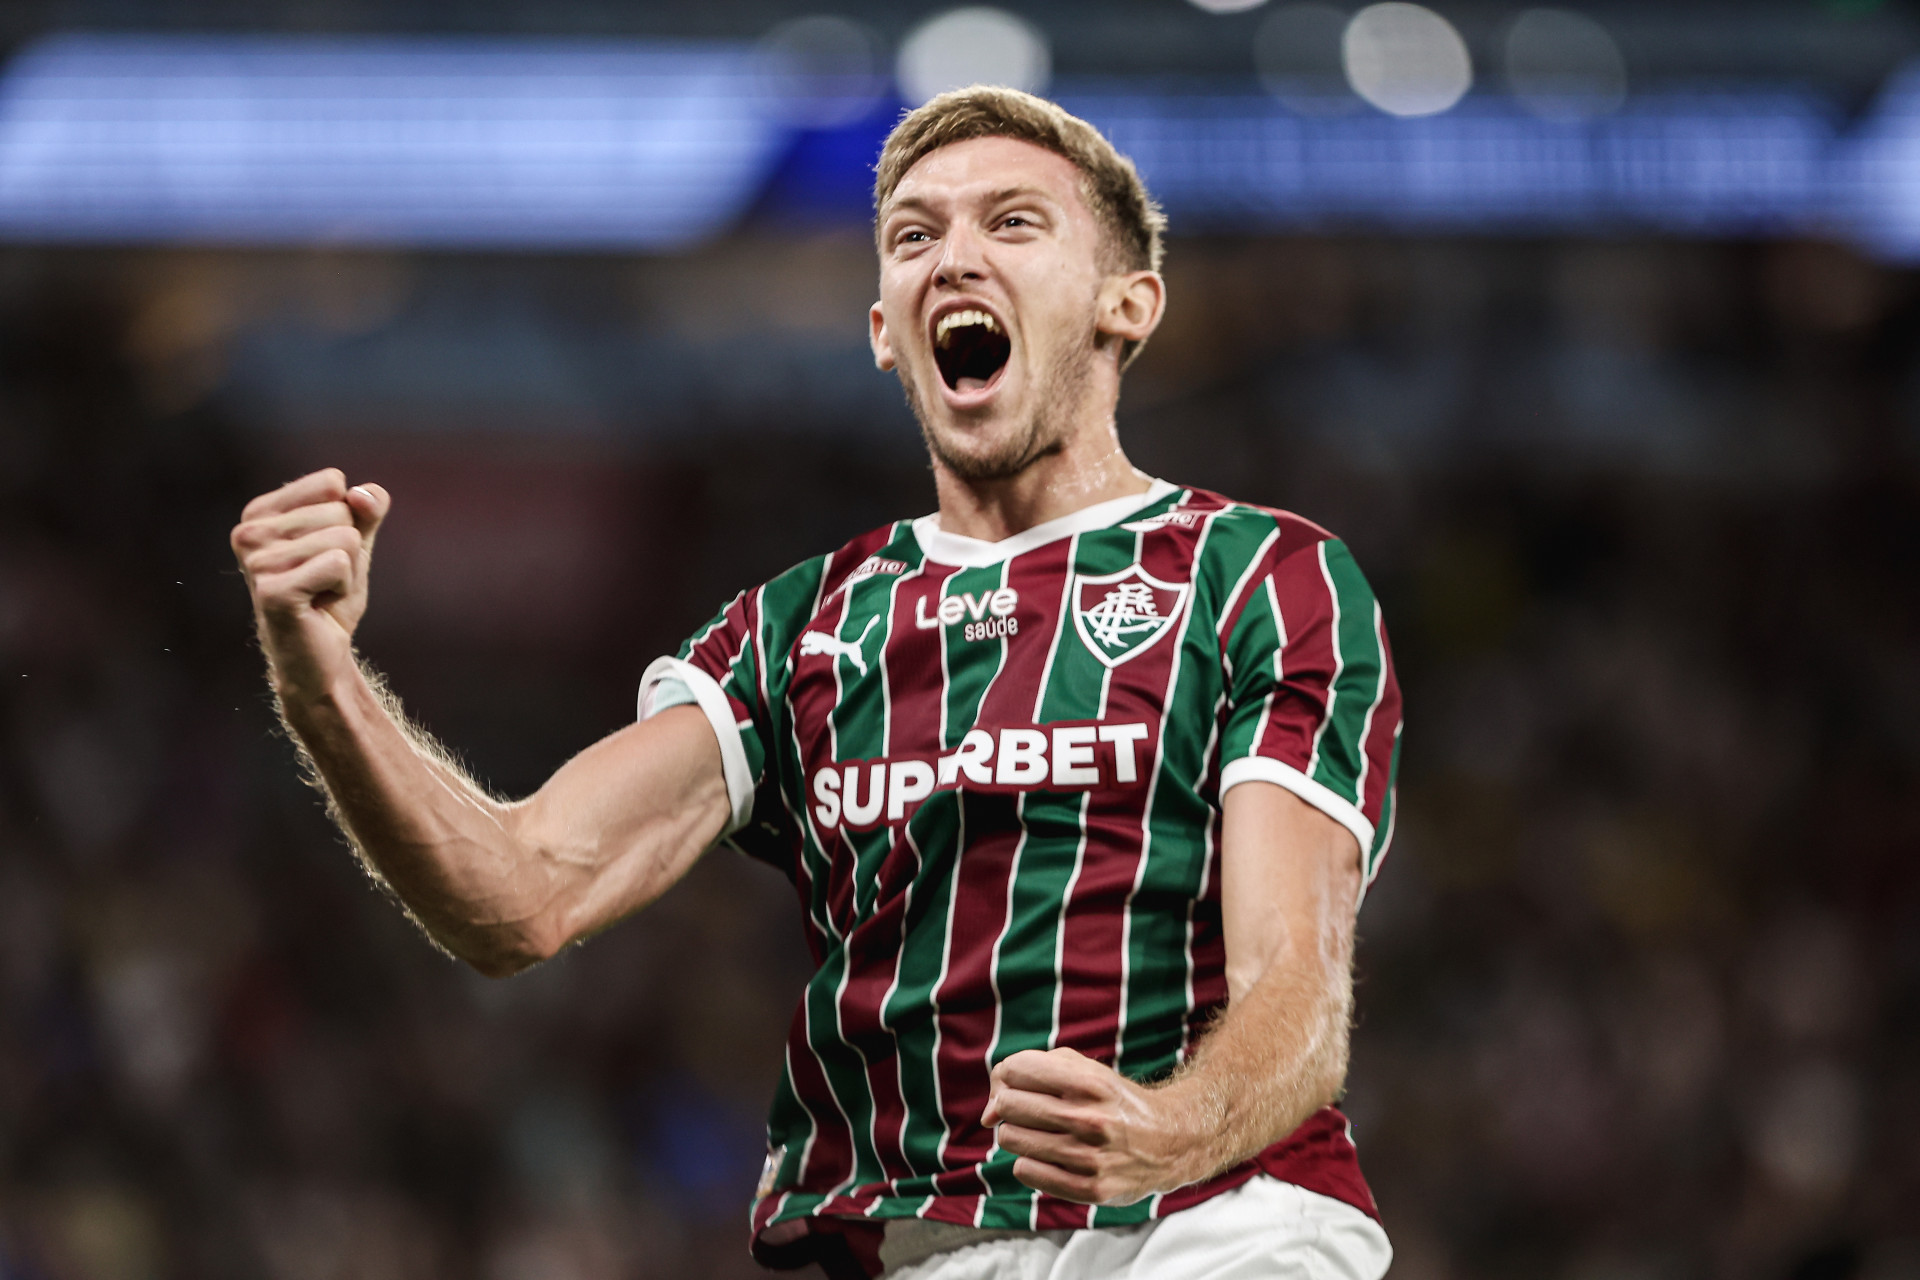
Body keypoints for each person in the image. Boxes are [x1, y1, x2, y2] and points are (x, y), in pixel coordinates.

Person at [229, 87, 1402, 1280]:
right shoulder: (799, 629)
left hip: (1221, 1221)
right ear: (886, 331)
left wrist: (1169, 1130)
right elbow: (519, 893)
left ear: (1126, 304)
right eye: (913, 235)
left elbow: (1295, 982)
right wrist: (322, 680)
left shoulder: (1258, 573)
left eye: (1013, 224)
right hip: (918, 1247)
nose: (954, 259)